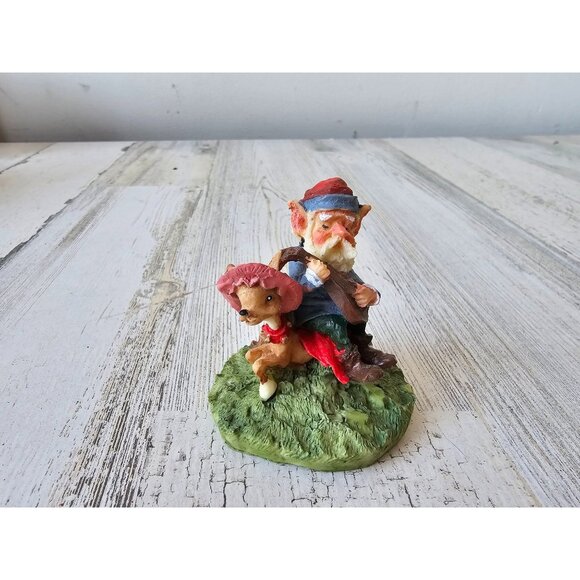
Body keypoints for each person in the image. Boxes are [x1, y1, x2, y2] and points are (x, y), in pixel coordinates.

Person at [287, 177, 397, 382]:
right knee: (335, 325)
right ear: (301, 223)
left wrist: (371, 294)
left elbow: (355, 282)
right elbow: (290, 293)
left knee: (357, 321)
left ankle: (363, 348)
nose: (340, 234)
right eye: (326, 226)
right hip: (312, 314)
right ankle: (350, 363)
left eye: (347, 227)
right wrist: (313, 278)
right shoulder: (298, 260)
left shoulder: (338, 260)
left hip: (342, 308)